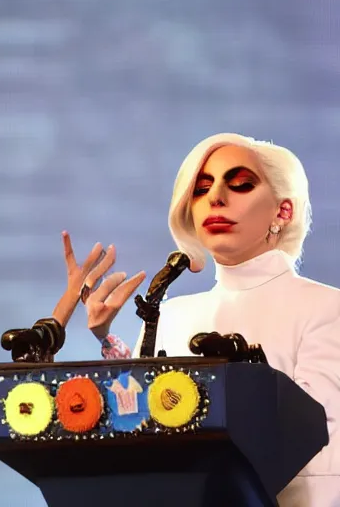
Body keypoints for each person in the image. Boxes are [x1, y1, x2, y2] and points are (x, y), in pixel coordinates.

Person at [59, 133, 340, 506]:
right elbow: (145, 422)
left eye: (240, 184)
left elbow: (317, 432)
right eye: (202, 188)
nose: (215, 198)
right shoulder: (170, 313)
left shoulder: (326, 307)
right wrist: (106, 338)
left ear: (283, 211)